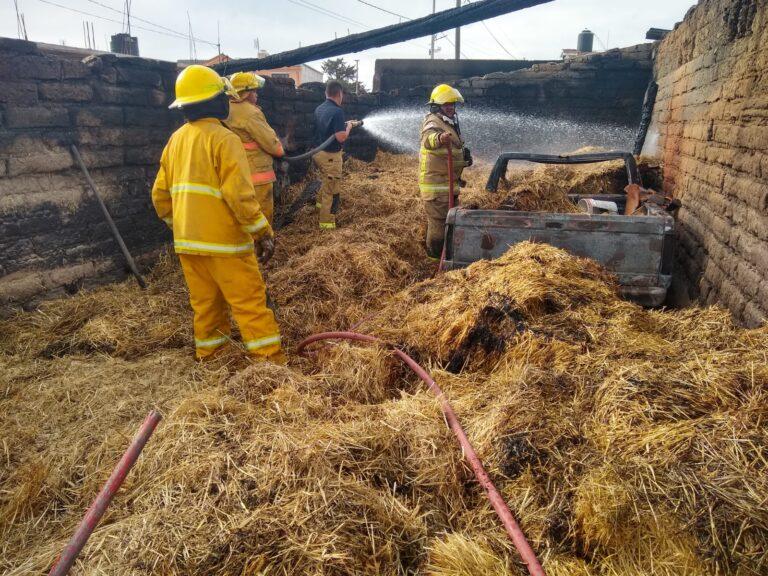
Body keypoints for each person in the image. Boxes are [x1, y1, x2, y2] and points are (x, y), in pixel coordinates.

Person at [151, 65, 284, 363]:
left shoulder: (176, 140)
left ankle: (211, 360)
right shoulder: (224, 140)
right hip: (226, 245)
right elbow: (239, 195)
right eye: (224, 96)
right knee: (250, 304)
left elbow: (160, 196)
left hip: (188, 245)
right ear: (214, 101)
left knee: (206, 306)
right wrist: (262, 232)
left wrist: (181, 225)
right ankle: (271, 365)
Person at [419, 84, 472, 260]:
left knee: (448, 224)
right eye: (446, 104)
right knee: (438, 228)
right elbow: (428, 139)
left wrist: (464, 159)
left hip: (448, 185)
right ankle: (434, 261)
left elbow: (453, 150)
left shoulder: (449, 122)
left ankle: (444, 256)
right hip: (437, 187)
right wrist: (439, 138)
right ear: (436, 106)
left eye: (452, 104)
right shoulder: (433, 122)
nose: (450, 107)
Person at [224, 72, 284, 225]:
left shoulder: (225, 109)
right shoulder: (251, 113)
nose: (256, 95)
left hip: (235, 174)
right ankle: (261, 247)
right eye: (254, 91)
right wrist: (280, 150)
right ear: (246, 93)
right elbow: (272, 145)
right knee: (261, 217)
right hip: (258, 177)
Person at [312, 80, 354, 229]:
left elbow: (327, 129)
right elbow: (341, 137)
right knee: (332, 189)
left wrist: (341, 126)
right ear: (340, 94)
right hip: (330, 156)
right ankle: (326, 224)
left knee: (325, 181)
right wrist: (348, 127)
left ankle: (318, 208)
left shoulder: (320, 108)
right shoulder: (337, 111)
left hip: (318, 154)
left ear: (326, 93)